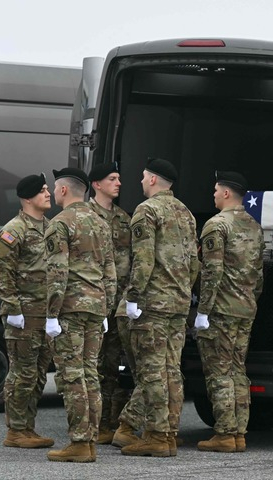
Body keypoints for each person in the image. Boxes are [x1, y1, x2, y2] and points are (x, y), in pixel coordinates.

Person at [120, 158, 199, 457]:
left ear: (153, 179)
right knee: (171, 370)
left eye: (143, 176)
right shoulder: (186, 213)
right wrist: (183, 291)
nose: (141, 181)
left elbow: (143, 260)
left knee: (152, 371)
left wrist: (133, 297)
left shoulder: (147, 210)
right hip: (178, 303)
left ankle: (155, 435)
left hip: (153, 303)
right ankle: (169, 433)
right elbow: (194, 263)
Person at [45, 167, 117, 463]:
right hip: (96, 307)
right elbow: (110, 271)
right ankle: (89, 441)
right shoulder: (100, 222)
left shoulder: (60, 223)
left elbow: (57, 271)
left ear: (63, 190)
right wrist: (106, 308)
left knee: (72, 375)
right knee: (90, 373)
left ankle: (79, 441)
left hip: (71, 309)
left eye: (54, 187)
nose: (52, 192)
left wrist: (51, 313)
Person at [194, 171, 264, 453]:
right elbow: (259, 274)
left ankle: (224, 432)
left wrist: (203, 311)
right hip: (245, 308)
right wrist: (249, 300)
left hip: (221, 310)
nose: (213, 195)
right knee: (237, 369)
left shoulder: (217, 225)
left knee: (218, 371)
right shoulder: (254, 226)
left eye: (215, 190)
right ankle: (238, 433)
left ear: (225, 193)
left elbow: (211, 272)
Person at [0, 173, 55, 449]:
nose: (48, 194)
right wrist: (13, 308)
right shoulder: (14, 230)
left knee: (40, 374)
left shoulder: (51, 227)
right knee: (23, 373)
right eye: (42, 190)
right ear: (28, 198)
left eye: (48, 189)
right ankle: (16, 430)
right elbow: (2, 273)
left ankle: (28, 427)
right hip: (24, 315)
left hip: (45, 314)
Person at [86, 163, 134, 445]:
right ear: (97, 184)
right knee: (93, 365)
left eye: (118, 178)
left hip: (118, 304)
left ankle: (110, 421)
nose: (118, 183)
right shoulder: (86, 216)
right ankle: (94, 422)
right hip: (94, 301)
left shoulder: (124, 219)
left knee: (114, 364)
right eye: (112, 179)